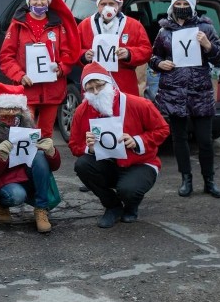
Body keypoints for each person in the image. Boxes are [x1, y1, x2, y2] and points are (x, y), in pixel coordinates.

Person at [69, 63, 169, 228]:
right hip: (108, 164)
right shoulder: (81, 111)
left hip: (139, 163)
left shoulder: (138, 104)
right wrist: (89, 148)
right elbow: (74, 145)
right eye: (90, 88)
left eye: (99, 86)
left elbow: (163, 129)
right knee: (82, 165)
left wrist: (137, 140)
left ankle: (131, 205)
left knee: (128, 190)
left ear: (109, 83)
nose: (95, 92)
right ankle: (112, 206)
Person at [150, 0, 220, 199]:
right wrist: (159, 64)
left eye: (185, 4)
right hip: (174, 92)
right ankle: (186, 179)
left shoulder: (206, 29)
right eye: (178, 4)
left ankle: (209, 180)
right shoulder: (164, 31)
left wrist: (208, 46)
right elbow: (153, 56)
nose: (181, 7)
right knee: (179, 138)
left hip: (200, 91)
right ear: (172, 6)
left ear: (192, 5)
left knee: (204, 139)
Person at [0, 0, 80, 138]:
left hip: (53, 89)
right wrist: (20, 76)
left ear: (48, 1)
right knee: (24, 132)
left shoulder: (57, 25)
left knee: (46, 134)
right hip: (26, 90)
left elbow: (68, 53)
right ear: (29, 1)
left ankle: (45, 162)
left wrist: (62, 68)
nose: (39, 2)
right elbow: (6, 56)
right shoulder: (17, 25)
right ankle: (26, 163)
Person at [0, 83, 61, 233]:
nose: (11, 113)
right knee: (16, 196)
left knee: (40, 155)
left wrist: (52, 152)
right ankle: (2, 204)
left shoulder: (27, 124)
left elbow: (53, 166)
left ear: (21, 110)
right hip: (3, 179)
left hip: (26, 175)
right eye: (6, 109)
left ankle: (41, 209)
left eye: (15, 109)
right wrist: (1, 157)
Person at [78, 0, 152, 96]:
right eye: (103, 4)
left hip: (124, 81)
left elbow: (146, 50)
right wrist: (83, 55)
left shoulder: (134, 25)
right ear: (98, 5)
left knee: (125, 112)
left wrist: (129, 54)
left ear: (118, 5)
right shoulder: (85, 25)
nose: (107, 7)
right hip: (94, 83)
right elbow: (72, 50)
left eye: (111, 3)